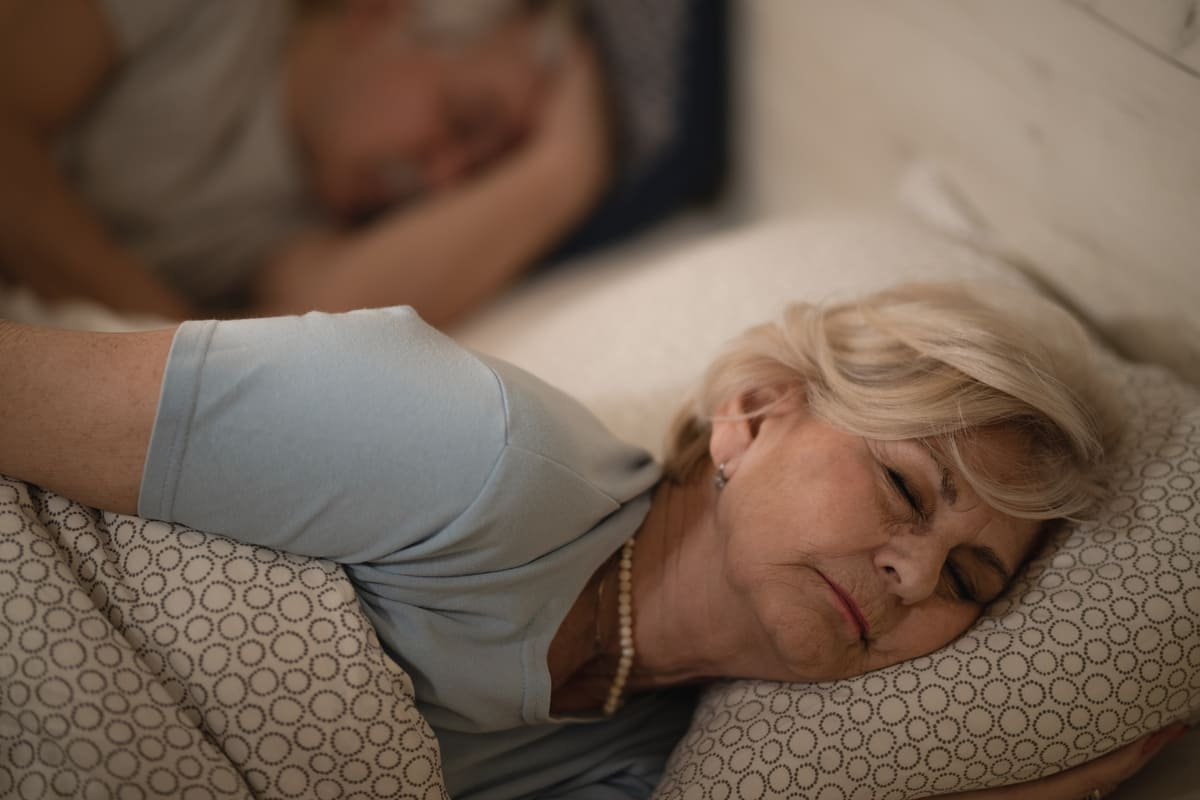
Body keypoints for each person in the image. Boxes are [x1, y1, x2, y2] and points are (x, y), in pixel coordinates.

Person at [0, 283, 1184, 798]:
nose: (916, 572)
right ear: (752, 414)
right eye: (905, 487)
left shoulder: (643, 760)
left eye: (970, 576)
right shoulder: (469, 449)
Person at [0, 0, 609, 326]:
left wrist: (562, 171)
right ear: (379, 12)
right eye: (465, 121)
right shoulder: (209, 16)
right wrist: (169, 335)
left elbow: (307, 329)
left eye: (476, 176)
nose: (443, 182)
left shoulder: (307, 219)